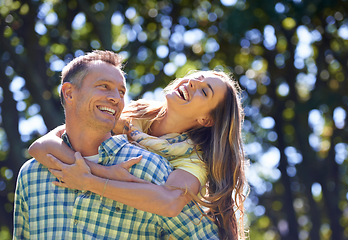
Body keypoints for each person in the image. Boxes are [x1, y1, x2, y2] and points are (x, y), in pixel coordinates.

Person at [13, 50, 220, 239]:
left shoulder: (153, 169)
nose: (115, 98)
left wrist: (89, 180)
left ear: (205, 120)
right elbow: (40, 146)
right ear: (68, 93)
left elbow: (172, 203)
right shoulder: (32, 173)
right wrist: (101, 171)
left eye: (121, 92)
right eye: (104, 86)